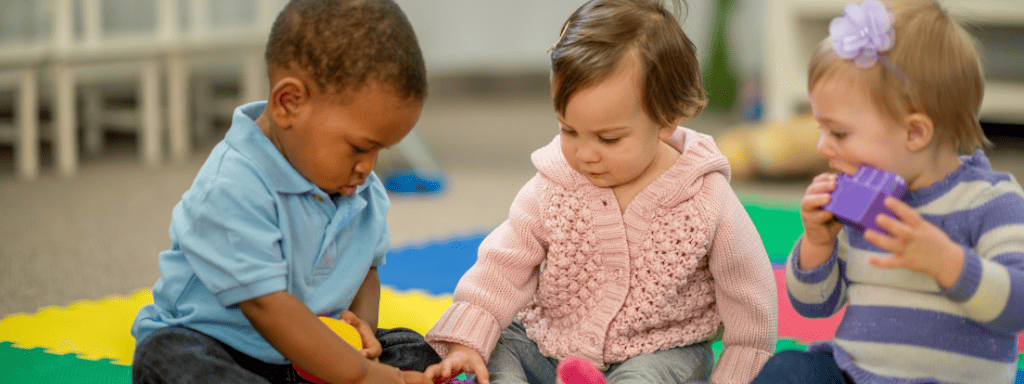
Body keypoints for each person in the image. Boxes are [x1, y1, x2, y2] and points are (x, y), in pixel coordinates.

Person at [422, 1, 778, 383]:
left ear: (666, 117)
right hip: (551, 344)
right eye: (569, 130)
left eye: (608, 139)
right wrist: (468, 340)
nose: (584, 153)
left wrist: (741, 368)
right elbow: (501, 267)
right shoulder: (552, 185)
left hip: (658, 351)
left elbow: (749, 295)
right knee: (499, 348)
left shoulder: (705, 197)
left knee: (647, 378)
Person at [130, 1, 439, 383]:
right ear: (289, 104)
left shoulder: (359, 189)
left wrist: (361, 329)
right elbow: (264, 305)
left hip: (311, 354)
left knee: (416, 351)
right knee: (166, 359)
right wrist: (360, 376)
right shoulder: (233, 185)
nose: (369, 167)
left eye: (380, 151)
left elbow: (366, 267)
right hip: (222, 345)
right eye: (360, 148)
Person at [753, 0, 1024, 383]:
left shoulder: (991, 203)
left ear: (915, 133)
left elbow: (1018, 305)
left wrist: (948, 262)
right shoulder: (860, 201)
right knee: (789, 368)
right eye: (821, 130)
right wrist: (817, 245)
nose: (821, 147)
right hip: (854, 373)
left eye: (839, 133)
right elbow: (814, 308)